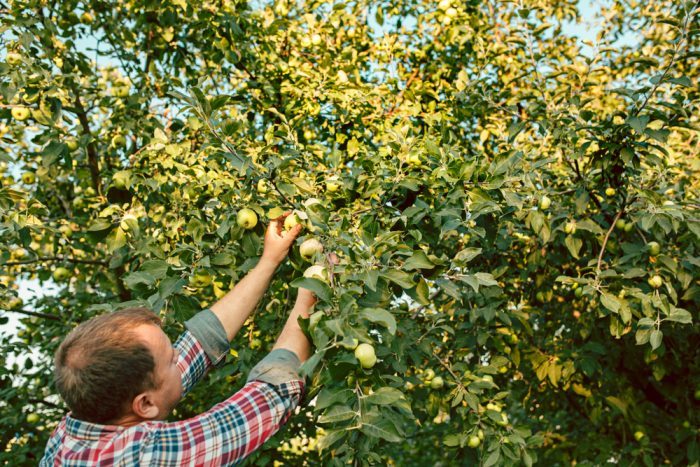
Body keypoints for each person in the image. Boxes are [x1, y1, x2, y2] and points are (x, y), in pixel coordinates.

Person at [40, 215, 316, 465]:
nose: (179, 358)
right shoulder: (145, 457)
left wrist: (269, 260)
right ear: (144, 404)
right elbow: (266, 399)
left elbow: (198, 343)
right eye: (171, 360)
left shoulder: (69, 434)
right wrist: (313, 286)